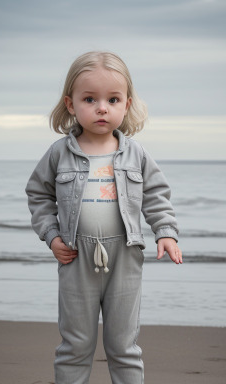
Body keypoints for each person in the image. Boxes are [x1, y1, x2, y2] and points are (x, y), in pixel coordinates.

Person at [25, 51, 182, 384]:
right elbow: (38, 195)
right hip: (75, 257)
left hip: (125, 257)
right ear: (70, 104)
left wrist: (165, 232)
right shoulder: (58, 153)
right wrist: (52, 237)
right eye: (89, 99)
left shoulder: (136, 154)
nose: (101, 107)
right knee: (75, 345)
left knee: (123, 345)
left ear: (126, 104)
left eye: (112, 99)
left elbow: (155, 195)